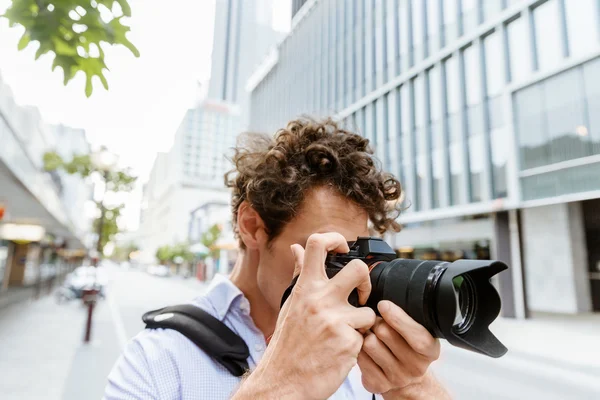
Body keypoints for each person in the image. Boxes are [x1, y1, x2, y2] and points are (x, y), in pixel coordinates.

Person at [104, 118, 450, 399]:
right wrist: (282, 384)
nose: (349, 277)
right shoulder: (156, 359)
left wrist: (413, 386)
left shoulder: (364, 349)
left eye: (355, 253)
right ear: (252, 225)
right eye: (330, 254)